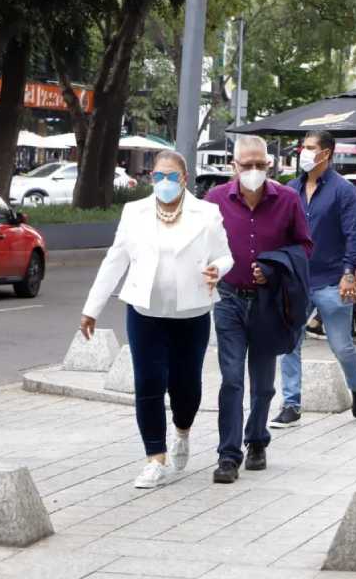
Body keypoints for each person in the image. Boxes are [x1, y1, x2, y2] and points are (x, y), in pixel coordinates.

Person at [79, 150, 234, 489]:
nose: (165, 183)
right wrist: (92, 307)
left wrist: (217, 269)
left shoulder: (206, 213)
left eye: (172, 177)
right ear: (151, 178)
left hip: (190, 312)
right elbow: (115, 260)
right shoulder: (134, 212)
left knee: (186, 385)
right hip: (144, 311)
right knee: (148, 382)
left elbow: (225, 256)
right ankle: (154, 457)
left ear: (185, 179)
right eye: (159, 176)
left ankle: (182, 431)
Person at [205, 136, 313, 484]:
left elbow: (303, 248)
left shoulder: (287, 200)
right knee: (232, 377)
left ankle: (257, 440)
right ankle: (228, 454)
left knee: (263, 384)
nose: (253, 171)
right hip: (228, 300)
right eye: (246, 165)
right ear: (233, 167)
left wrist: (272, 267)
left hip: (268, 303)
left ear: (271, 165)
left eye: (259, 165)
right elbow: (201, 246)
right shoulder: (215, 200)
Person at [273, 130, 356, 429]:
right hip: (297, 280)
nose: (304, 151)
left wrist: (349, 274)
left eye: (310, 147)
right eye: (303, 146)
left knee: (341, 346)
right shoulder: (291, 189)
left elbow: (355, 235)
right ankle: (291, 404)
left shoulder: (343, 191)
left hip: (332, 280)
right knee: (290, 342)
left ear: (326, 153)